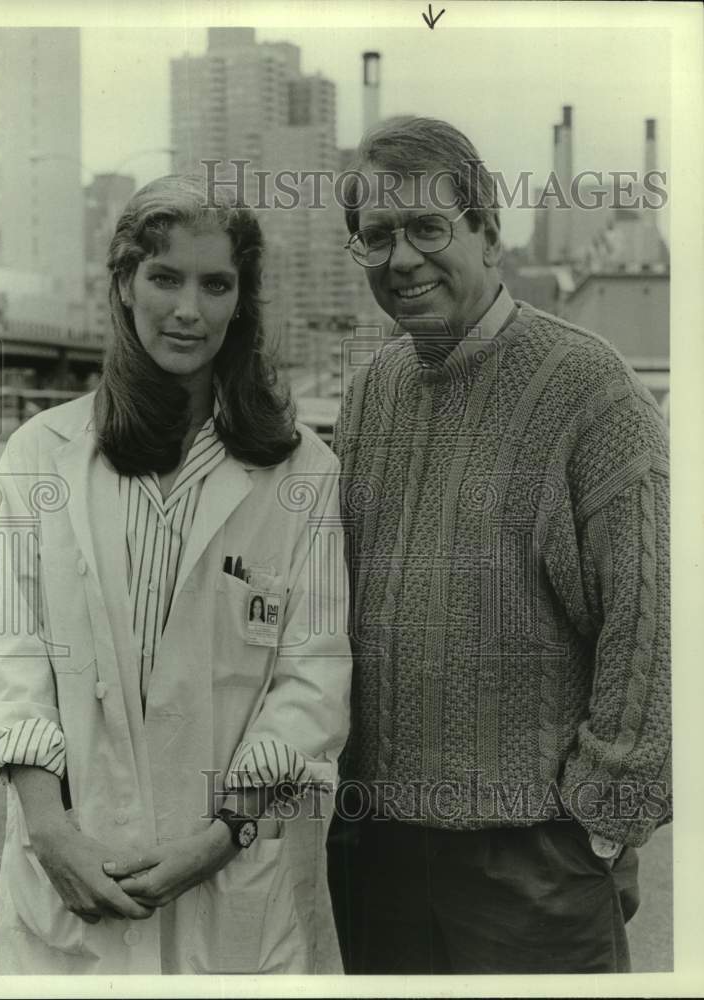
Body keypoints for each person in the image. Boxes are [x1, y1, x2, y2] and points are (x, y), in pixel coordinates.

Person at [0, 175, 351, 975]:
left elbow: (312, 679)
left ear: (242, 301)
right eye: (165, 277)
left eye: (217, 284)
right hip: (72, 872)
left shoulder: (301, 469)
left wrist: (223, 836)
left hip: (231, 883)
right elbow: (16, 656)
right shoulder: (43, 453)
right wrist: (51, 832)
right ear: (124, 284)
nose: (189, 310)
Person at [328, 116, 671, 975]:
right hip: (380, 856)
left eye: (427, 227)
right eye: (375, 237)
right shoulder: (369, 393)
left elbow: (653, 628)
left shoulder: (593, 392)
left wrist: (603, 820)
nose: (401, 258)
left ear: (487, 229)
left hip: (533, 862)